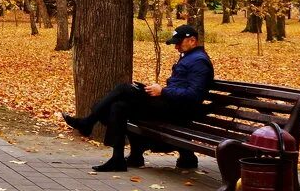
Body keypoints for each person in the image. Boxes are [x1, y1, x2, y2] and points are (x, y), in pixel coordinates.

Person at [62, 24, 214, 172]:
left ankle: (88, 122)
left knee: (124, 89)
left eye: (178, 43)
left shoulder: (199, 61)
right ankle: (118, 159)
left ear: (192, 41)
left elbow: (194, 96)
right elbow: (181, 86)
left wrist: (163, 91)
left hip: (178, 111)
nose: (176, 47)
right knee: (119, 106)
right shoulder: (190, 57)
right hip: (170, 103)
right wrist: (159, 90)